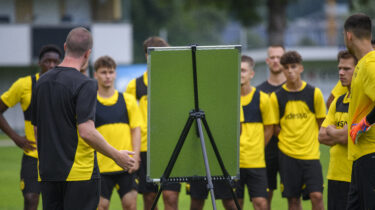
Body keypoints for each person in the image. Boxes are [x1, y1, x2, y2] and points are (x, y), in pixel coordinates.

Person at [30, 27, 136, 210]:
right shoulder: (85, 84)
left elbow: (37, 129)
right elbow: (86, 131)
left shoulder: (41, 82)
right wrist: (117, 155)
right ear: (88, 54)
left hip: (47, 172)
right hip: (79, 174)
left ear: (65, 47)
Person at [0, 44, 62, 210]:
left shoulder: (65, 86)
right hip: (33, 155)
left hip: (59, 156)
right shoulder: (24, 84)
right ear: (39, 62)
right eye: (47, 61)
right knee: (30, 198)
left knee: (56, 203)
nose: (51, 65)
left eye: (55, 62)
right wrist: (16, 137)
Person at [126, 36, 181, 210]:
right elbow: (130, 122)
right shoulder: (134, 85)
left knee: (170, 197)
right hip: (145, 148)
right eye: (153, 54)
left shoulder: (175, 83)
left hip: (171, 147)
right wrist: (134, 152)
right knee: (150, 198)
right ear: (146, 56)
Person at [270, 51, 326, 210]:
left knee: (317, 196)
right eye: (286, 67)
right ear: (282, 70)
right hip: (287, 155)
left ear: (301, 68)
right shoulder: (276, 96)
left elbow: (321, 123)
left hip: (311, 155)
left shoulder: (314, 93)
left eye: (293, 66)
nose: (290, 71)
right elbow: (275, 127)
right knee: (293, 201)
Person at [93, 56, 142, 210]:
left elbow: (136, 130)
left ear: (115, 74)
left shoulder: (127, 100)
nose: (107, 76)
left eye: (111, 72)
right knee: (101, 206)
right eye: (103, 72)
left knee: (130, 205)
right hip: (100, 167)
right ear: (95, 75)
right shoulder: (90, 102)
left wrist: (136, 155)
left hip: (126, 165)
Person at [344, 13, 375, 209]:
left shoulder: (370, 65)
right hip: (360, 156)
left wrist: (365, 123)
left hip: (371, 155)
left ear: (348, 35)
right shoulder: (362, 64)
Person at [318, 50, 357, 210]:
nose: (341, 72)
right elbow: (321, 136)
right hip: (335, 175)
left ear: (359, 69)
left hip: (356, 176)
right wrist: (341, 134)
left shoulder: (364, 101)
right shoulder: (338, 101)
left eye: (346, 69)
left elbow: (349, 136)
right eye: (339, 68)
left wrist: (333, 131)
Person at [235, 55, 275, 210]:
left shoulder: (262, 98)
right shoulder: (228, 100)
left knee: (261, 204)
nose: (240, 74)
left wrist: (257, 147)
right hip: (234, 164)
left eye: (243, 70)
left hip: (255, 162)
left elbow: (269, 128)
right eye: (237, 70)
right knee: (234, 204)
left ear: (251, 74)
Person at [256, 45, 285, 209]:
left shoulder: (292, 89)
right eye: (272, 57)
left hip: (290, 150)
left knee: (293, 198)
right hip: (266, 151)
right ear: (267, 61)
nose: (275, 61)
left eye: (279, 57)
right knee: (264, 196)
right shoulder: (259, 91)